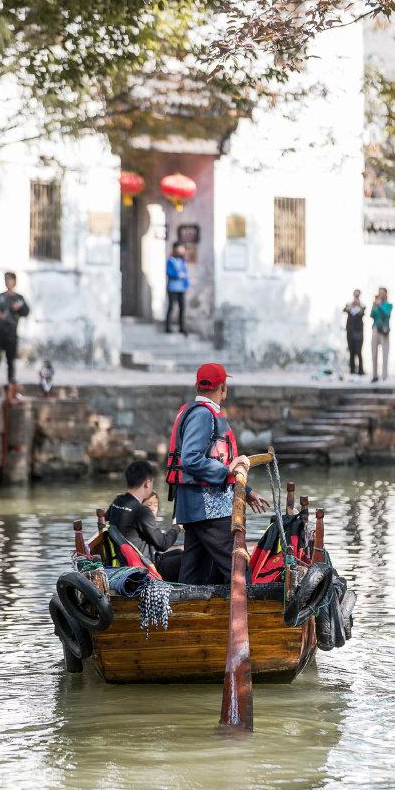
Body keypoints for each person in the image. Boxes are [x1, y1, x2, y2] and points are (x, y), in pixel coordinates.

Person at [166, 362, 268, 585]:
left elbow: (216, 462)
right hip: (208, 509)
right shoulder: (203, 415)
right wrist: (227, 470)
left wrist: (246, 490)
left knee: (194, 572)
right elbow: (191, 459)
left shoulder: (195, 411)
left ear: (197, 385)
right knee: (237, 565)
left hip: (195, 507)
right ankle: (253, 612)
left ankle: (185, 615)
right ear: (223, 387)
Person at [106, 460, 179, 568]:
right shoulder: (142, 511)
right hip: (145, 568)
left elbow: (107, 519)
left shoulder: (117, 502)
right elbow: (163, 544)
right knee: (187, 557)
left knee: (178, 552)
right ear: (147, 483)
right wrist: (177, 527)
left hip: (126, 561)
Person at [0, 272, 29, 397]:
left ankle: (11, 390)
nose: (8, 282)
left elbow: (26, 312)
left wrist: (19, 308)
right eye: (6, 280)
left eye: (10, 280)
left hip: (11, 335)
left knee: (11, 362)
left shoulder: (19, 298)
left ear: (14, 282)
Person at [165, 242, 190, 335]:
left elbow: (186, 274)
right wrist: (179, 275)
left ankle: (181, 327)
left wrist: (186, 284)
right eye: (179, 249)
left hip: (181, 288)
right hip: (172, 288)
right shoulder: (171, 261)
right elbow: (169, 272)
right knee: (171, 307)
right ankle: (168, 327)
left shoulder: (182, 261)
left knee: (182, 308)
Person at [370, 286, 392, 383]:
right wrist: (374, 306)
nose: (380, 294)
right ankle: (374, 375)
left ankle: (384, 375)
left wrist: (380, 305)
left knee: (385, 353)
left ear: (386, 294)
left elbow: (387, 314)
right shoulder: (376, 304)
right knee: (374, 353)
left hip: (384, 330)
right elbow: (372, 315)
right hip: (375, 329)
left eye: (382, 292)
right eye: (379, 292)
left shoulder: (388, 305)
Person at [343, 290, 365, 375]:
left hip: (358, 332)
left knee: (358, 351)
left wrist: (358, 305)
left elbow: (362, 313)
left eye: (357, 295)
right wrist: (351, 305)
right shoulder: (349, 305)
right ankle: (352, 369)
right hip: (350, 331)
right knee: (351, 351)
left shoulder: (362, 306)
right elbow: (344, 310)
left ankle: (360, 370)